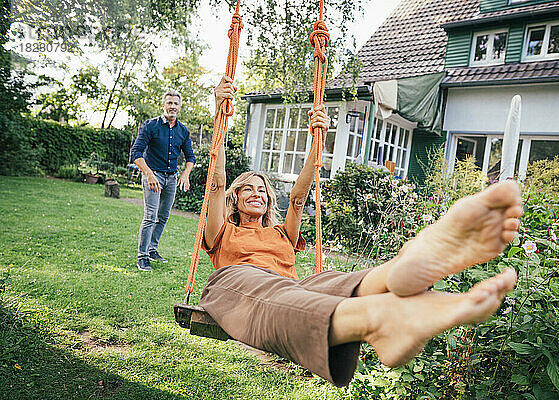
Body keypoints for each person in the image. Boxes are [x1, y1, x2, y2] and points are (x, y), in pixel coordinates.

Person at [199, 76, 523, 387]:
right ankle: (377, 317)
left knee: (326, 282)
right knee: (279, 296)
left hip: (292, 286)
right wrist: (220, 117)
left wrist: (318, 142)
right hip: (236, 282)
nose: (256, 193)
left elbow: (298, 198)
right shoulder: (222, 233)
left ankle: (395, 272)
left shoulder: (282, 235)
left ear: (269, 199)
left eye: (262, 190)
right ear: (235, 199)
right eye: (247, 190)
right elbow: (215, 184)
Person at [131, 90, 196, 271]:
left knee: (163, 216)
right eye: (169, 103)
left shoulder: (183, 131)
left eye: (175, 104)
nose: (172, 106)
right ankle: (142, 257)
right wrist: (149, 174)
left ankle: (152, 249)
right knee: (150, 216)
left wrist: (185, 174)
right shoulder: (151, 126)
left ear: (179, 107)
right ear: (163, 105)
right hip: (153, 176)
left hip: (171, 178)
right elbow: (136, 153)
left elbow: (190, 157)